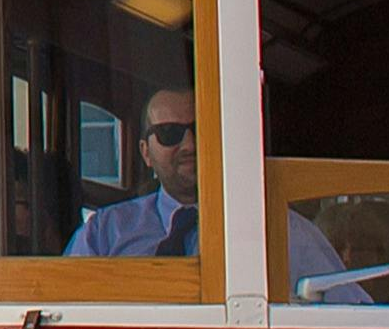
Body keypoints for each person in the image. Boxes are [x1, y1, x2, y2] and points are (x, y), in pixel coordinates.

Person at [66, 84, 347, 287]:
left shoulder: (280, 231)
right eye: (169, 133)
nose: (189, 145)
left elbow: (350, 313)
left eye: (201, 130)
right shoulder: (103, 234)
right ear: (146, 153)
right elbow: (65, 309)